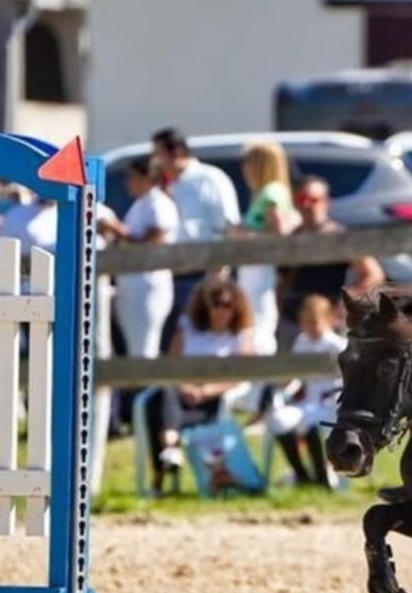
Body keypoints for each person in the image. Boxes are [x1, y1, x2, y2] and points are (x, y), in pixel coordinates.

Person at [146, 280, 255, 494]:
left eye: (227, 305)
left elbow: (242, 376)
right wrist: (186, 386)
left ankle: (163, 467)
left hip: (212, 403)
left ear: (236, 308)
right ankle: (170, 448)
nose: (221, 311)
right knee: (162, 395)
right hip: (179, 395)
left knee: (156, 411)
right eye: (216, 304)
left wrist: (206, 391)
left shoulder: (239, 337)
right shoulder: (188, 329)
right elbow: (171, 365)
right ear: (206, 306)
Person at [151, 128, 242, 346]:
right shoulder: (171, 185)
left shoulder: (209, 179)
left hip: (203, 275)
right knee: (174, 341)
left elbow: (227, 226)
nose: (156, 161)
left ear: (176, 152)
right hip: (172, 273)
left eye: (159, 154)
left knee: (201, 339)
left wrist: (219, 272)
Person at [277, 174, 385, 347]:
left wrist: (346, 301)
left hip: (326, 320)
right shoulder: (292, 238)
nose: (307, 205)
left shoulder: (339, 237)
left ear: (326, 202)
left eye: (314, 200)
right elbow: (282, 280)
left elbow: (373, 274)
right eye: (302, 199)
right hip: (293, 321)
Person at [97, 157, 178, 360]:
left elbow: (153, 241)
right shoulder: (142, 203)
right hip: (133, 286)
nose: (128, 182)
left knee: (143, 350)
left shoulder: (158, 203)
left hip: (147, 287)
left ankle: (148, 381)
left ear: (148, 178)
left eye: (132, 177)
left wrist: (116, 228)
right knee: (135, 348)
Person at [266, 294, 347, 487]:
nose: (310, 328)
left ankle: (322, 477)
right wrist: (283, 384)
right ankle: (301, 473)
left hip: (333, 405)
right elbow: (296, 376)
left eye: (314, 322)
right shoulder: (302, 341)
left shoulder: (337, 345)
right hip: (309, 403)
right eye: (305, 323)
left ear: (327, 320)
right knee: (278, 420)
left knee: (311, 425)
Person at [230, 141, 297, 356]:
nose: (245, 168)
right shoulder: (270, 191)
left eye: (249, 162)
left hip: (260, 265)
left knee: (257, 316)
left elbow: (279, 230)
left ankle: (259, 359)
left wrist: (243, 234)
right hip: (255, 265)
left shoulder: (270, 193)